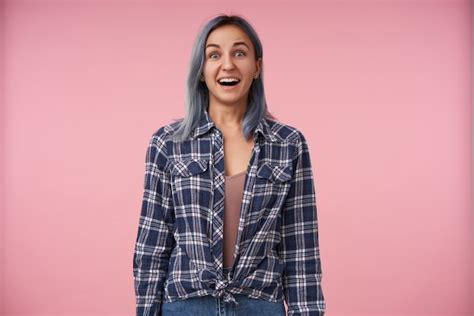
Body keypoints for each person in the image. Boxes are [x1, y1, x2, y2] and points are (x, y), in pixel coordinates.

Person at [133, 14, 326, 316]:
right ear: (201, 70)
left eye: (239, 52)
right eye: (214, 55)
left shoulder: (288, 144)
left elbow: (300, 249)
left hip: (259, 304)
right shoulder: (167, 143)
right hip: (186, 305)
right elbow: (152, 245)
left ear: (256, 67)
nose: (228, 65)